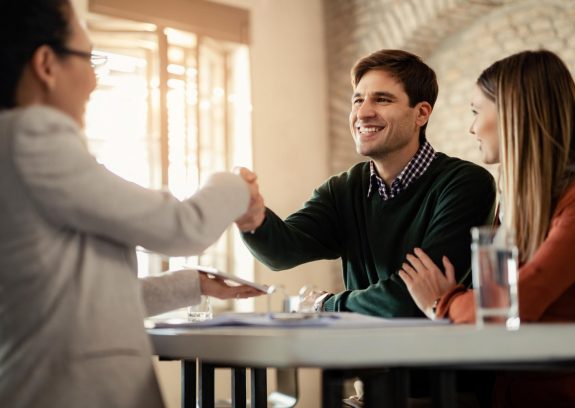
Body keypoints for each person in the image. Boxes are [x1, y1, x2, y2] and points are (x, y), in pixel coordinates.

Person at [0, 1, 264, 407]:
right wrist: (236, 184)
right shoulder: (32, 137)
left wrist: (193, 285)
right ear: (47, 64)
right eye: (88, 59)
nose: (93, 80)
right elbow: (182, 227)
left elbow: (82, 299)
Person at [236, 49, 496, 317]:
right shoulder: (343, 190)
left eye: (382, 100)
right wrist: (251, 217)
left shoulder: (466, 185)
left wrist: (326, 304)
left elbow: (410, 301)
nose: (363, 112)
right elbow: (281, 251)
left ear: (421, 113)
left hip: (435, 356)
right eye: (357, 100)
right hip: (360, 357)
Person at [399, 49, 575, 406]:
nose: (472, 127)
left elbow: (509, 306)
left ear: (513, 114)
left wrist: (443, 300)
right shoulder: (513, 204)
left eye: (477, 112)